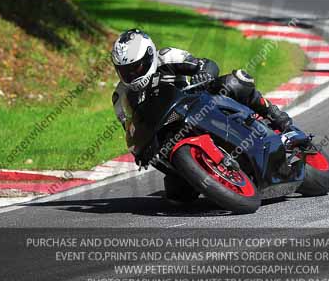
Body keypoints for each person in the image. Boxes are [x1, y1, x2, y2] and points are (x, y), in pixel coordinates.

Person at [111, 28, 293, 199]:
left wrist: (203, 73)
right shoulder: (120, 96)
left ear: (149, 55)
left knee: (235, 81)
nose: (132, 74)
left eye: (136, 67)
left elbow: (206, 64)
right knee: (178, 196)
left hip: (196, 105)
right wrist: (139, 152)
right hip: (166, 135)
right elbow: (130, 128)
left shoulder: (166, 57)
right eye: (125, 71)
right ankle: (211, 175)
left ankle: (274, 114)